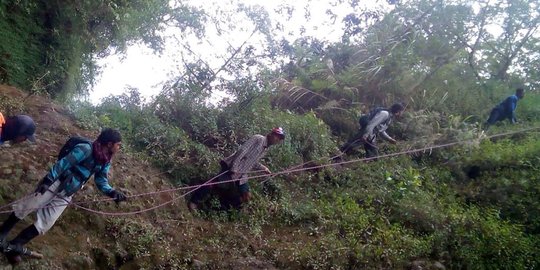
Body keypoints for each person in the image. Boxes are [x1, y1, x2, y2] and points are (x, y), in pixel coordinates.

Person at [0, 128, 127, 263]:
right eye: (118, 144)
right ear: (109, 144)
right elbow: (64, 164)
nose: (119, 147)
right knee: (27, 206)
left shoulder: (105, 160)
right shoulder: (86, 148)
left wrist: (111, 192)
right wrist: (48, 180)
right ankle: (2, 233)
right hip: (56, 182)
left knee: (47, 222)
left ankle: (15, 245)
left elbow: (101, 179)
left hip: (69, 191)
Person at [188, 127, 286, 211]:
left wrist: (264, 168)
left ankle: (220, 210)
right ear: (271, 134)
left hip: (242, 173)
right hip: (231, 167)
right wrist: (234, 167)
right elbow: (242, 151)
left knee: (246, 196)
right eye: (276, 136)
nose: (277, 139)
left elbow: (253, 162)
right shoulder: (258, 139)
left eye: (279, 138)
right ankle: (194, 202)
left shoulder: (265, 149)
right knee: (213, 184)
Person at [340, 103, 405, 159]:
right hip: (367, 132)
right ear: (398, 111)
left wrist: (389, 139)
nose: (402, 113)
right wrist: (365, 135)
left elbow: (381, 131)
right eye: (401, 111)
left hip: (370, 135)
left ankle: (341, 154)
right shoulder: (384, 114)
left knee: (372, 155)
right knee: (351, 145)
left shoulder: (389, 118)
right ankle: (338, 155)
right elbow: (371, 125)